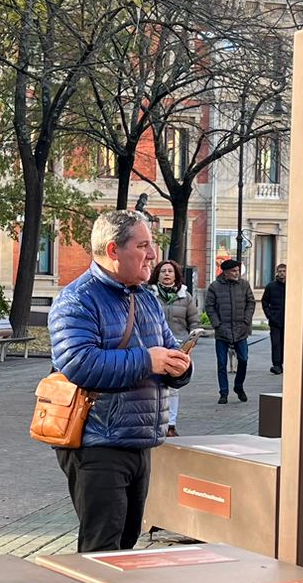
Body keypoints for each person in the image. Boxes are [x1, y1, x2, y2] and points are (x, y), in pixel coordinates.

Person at [46, 211, 194, 550]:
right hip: (97, 443)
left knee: (126, 545)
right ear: (113, 250)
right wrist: (148, 360)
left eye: (151, 245)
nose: (153, 255)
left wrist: (180, 367)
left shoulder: (145, 297)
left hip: (139, 441)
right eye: (143, 246)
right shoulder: (77, 299)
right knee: (102, 550)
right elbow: (79, 363)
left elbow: (168, 350)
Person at [151, 258, 198, 436]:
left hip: (178, 345)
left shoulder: (185, 296)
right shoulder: (149, 294)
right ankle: (156, 421)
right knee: (155, 385)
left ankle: (170, 424)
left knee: (173, 388)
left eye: (170, 271)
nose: (166, 274)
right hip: (156, 346)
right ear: (157, 275)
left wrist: (192, 339)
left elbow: (193, 320)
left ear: (175, 275)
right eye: (163, 271)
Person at [204, 256, 257, 402]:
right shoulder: (215, 287)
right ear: (225, 272)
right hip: (222, 330)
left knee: (243, 359)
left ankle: (238, 386)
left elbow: (251, 303)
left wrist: (246, 321)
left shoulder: (244, 285)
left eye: (238, 270)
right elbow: (209, 307)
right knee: (222, 363)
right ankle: (224, 392)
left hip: (241, 329)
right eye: (234, 271)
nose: (237, 273)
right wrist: (217, 324)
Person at [261, 262, 288, 373]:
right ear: (277, 272)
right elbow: (264, 302)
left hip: (289, 320)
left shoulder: (292, 286)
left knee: (287, 343)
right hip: (275, 320)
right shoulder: (271, 286)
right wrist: (269, 315)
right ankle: (277, 365)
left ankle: (288, 364)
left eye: (284, 271)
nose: (282, 273)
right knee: (276, 344)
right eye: (280, 271)